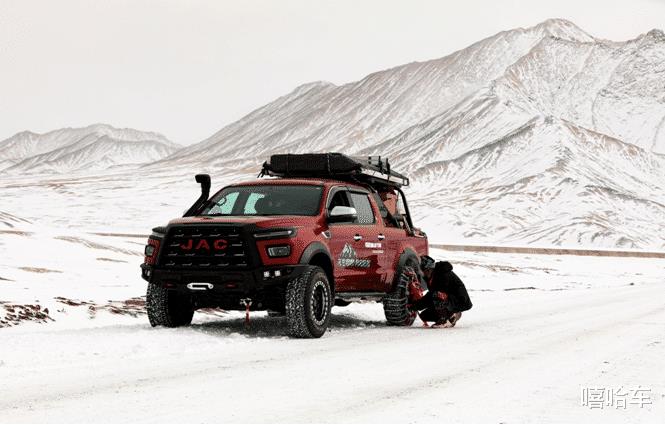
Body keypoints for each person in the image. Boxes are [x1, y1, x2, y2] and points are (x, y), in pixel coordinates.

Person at [411, 255, 473, 328]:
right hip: (448, 300)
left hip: (460, 301)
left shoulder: (443, 274)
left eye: (423, 270)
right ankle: (453, 316)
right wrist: (415, 306)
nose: (422, 273)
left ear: (429, 269)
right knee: (425, 316)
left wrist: (417, 305)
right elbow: (431, 297)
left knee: (437, 294)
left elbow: (433, 295)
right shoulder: (430, 277)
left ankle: (445, 320)